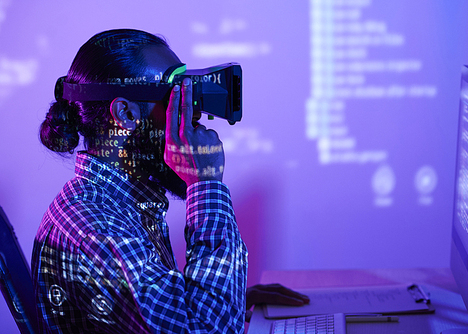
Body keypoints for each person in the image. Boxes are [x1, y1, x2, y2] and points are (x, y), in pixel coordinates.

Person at [32, 29, 308, 334]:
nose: (193, 117)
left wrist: (228, 301)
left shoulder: (119, 204)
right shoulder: (95, 225)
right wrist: (206, 185)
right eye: (175, 95)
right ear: (125, 113)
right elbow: (203, 331)